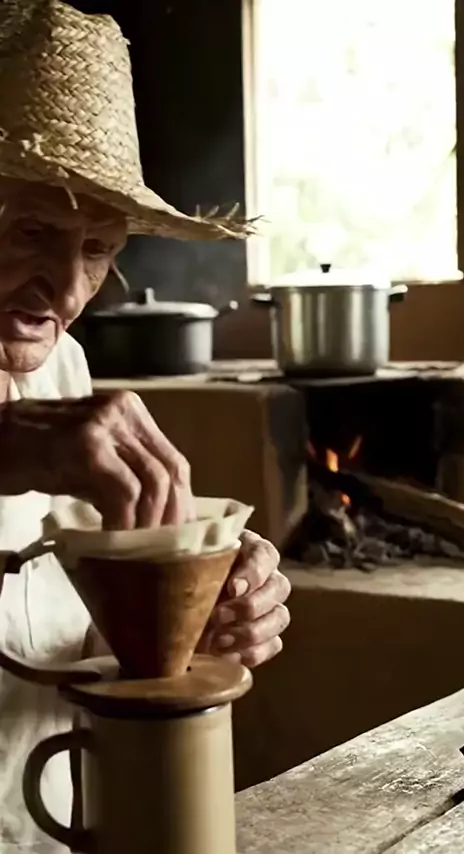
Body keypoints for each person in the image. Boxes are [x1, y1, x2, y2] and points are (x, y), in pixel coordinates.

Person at [0, 1, 291, 850]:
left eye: (98, 249)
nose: (67, 291)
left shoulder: (61, 366)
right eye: (32, 231)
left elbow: (67, 636)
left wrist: (186, 610)